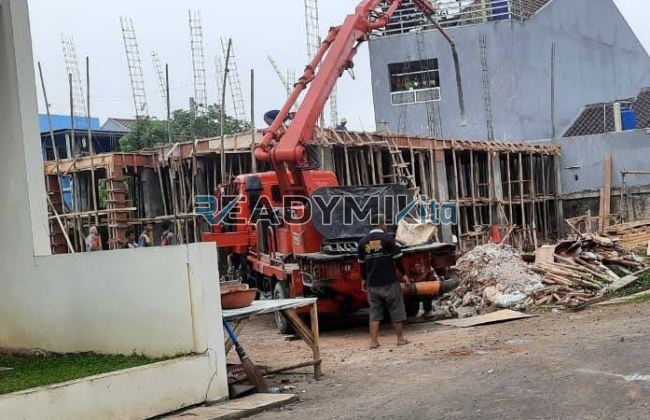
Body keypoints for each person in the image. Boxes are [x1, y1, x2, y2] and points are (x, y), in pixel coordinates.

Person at [358, 214, 411, 349]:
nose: (386, 225)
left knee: (374, 313)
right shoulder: (388, 239)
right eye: (385, 223)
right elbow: (397, 259)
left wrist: (364, 279)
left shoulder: (363, 242)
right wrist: (404, 275)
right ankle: (400, 339)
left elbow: (362, 264)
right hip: (389, 281)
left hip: (373, 284)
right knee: (396, 308)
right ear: (381, 224)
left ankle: (373, 342)